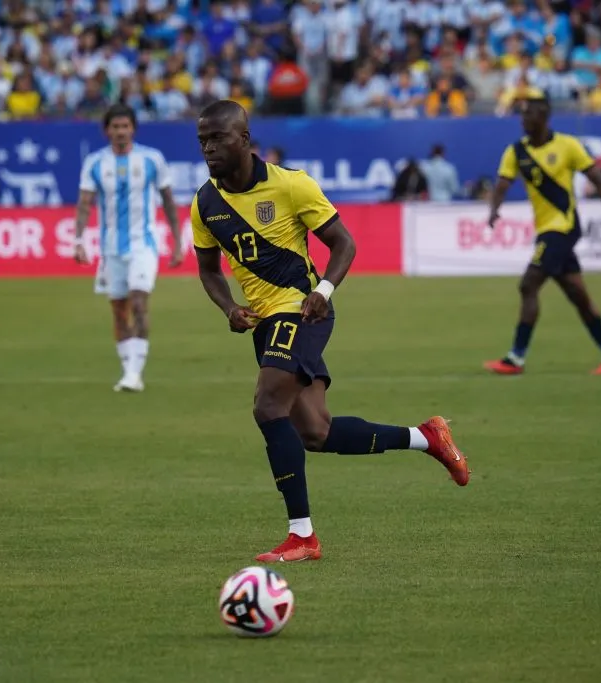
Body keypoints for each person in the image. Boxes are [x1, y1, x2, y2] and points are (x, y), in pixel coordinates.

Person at [190, 100, 470, 563]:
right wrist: (228, 308)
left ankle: (303, 536)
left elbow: (344, 242)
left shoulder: (291, 185)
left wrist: (324, 289)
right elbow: (208, 270)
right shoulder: (205, 202)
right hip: (264, 321)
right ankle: (427, 436)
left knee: (267, 406)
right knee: (314, 432)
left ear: (243, 138)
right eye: (202, 141)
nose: (208, 149)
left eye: (216, 139)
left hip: (303, 311)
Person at [484, 95, 601, 375]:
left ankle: (516, 358)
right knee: (578, 295)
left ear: (543, 119)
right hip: (547, 228)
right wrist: (494, 210)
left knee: (528, 284)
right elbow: (502, 184)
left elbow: (597, 178)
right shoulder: (516, 151)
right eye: (522, 116)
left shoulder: (568, 145)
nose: (523, 121)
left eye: (529, 116)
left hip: (563, 227)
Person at [74, 104, 184, 392]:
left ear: (133, 128)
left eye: (125, 126)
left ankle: (135, 373)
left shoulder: (151, 159)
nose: (121, 132)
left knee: (139, 301)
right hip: (110, 249)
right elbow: (84, 203)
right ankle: (128, 370)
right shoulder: (95, 163)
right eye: (115, 127)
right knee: (119, 311)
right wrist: (78, 240)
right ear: (106, 130)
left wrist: (176, 241)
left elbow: (169, 201)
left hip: (143, 245)